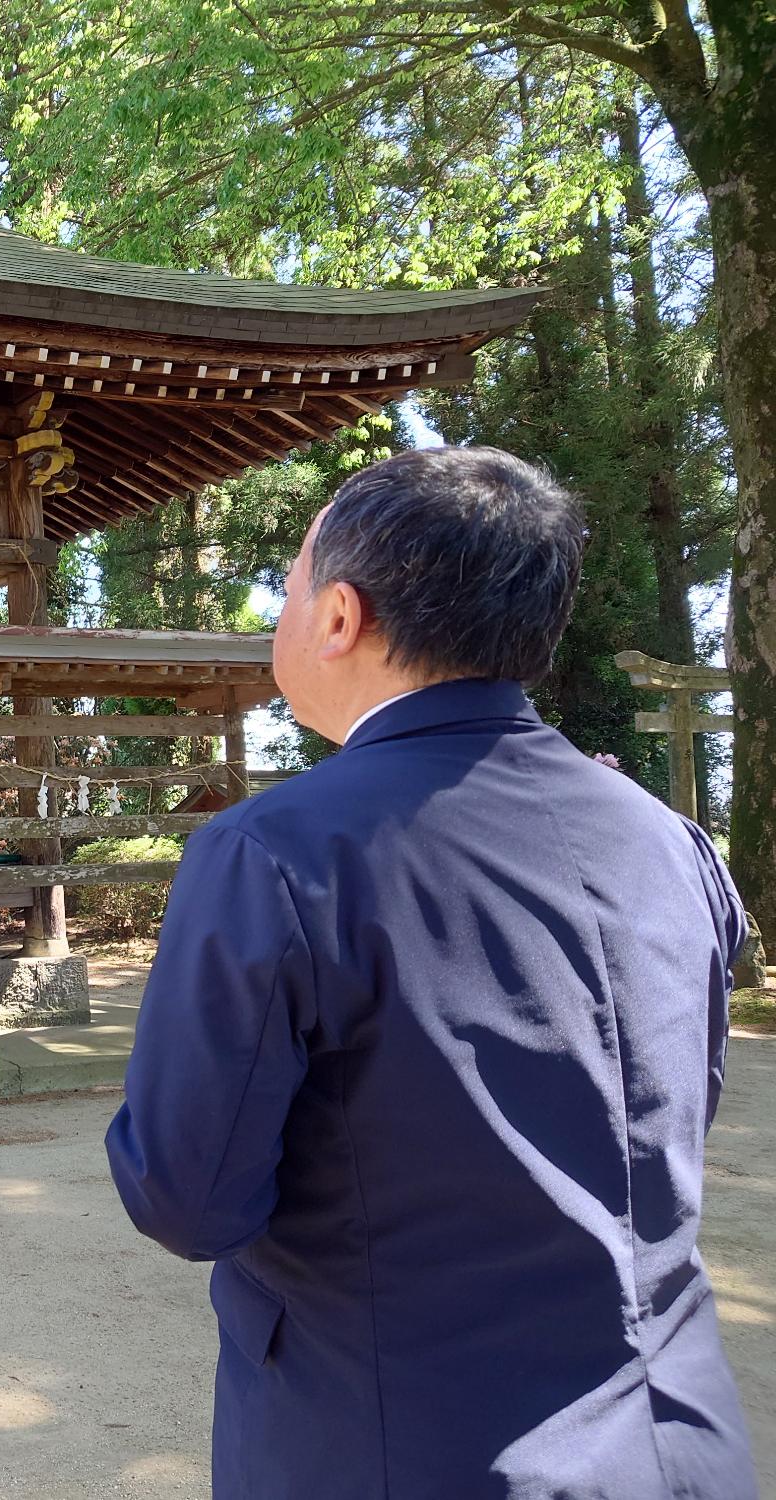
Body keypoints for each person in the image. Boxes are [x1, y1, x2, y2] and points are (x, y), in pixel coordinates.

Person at [104, 446, 752, 1499]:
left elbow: (188, 1196)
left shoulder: (272, 852)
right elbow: (666, 1115)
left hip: (399, 1441)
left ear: (337, 616)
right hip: (674, 1435)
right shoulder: (667, 840)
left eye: (288, 586)